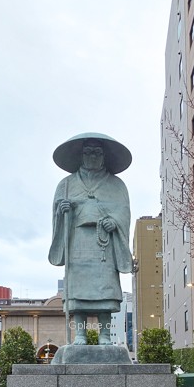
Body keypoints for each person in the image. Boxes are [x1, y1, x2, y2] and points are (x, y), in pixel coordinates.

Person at [48, 132, 132, 345]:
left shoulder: (117, 185)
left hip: (104, 243)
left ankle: (105, 335)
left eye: (97, 152)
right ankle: (80, 335)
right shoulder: (66, 184)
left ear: (104, 156)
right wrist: (62, 210)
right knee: (78, 293)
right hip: (77, 241)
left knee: (105, 291)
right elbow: (57, 212)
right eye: (87, 152)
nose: (92, 156)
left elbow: (123, 211)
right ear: (81, 155)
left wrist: (114, 221)